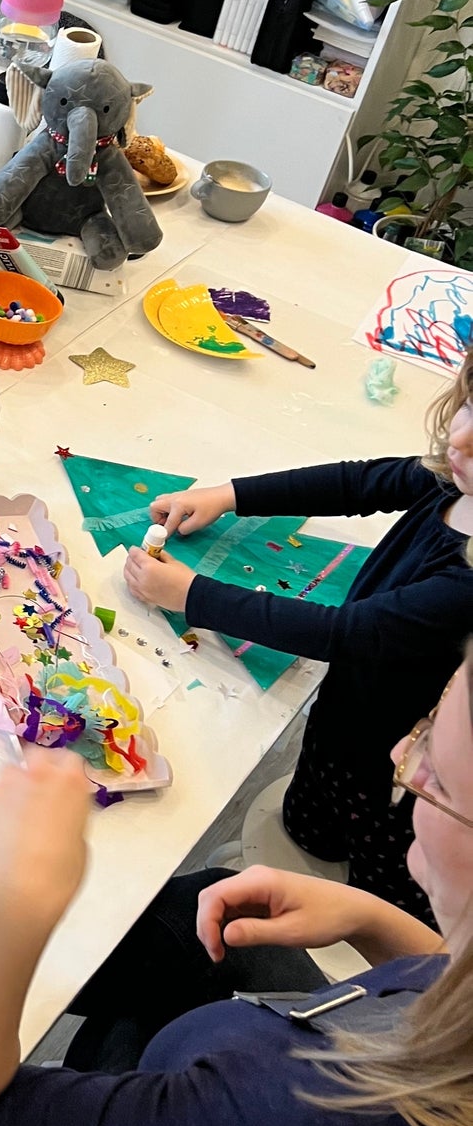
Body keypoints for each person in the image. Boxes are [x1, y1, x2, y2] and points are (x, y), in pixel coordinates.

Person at [0, 647, 473, 1126]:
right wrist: (373, 921)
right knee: (210, 905)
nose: (401, 748)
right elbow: (454, 976)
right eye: (427, 722)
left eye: (436, 777)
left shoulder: (309, 1117)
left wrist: (7, 908)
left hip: (268, 1096)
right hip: (302, 1049)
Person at [120, 350, 473, 919]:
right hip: (343, 720)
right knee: (307, 832)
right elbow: (356, 484)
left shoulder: (467, 583)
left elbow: (343, 632)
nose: (460, 440)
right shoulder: (453, 480)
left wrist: (191, 596)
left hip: (397, 775)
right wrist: (228, 496)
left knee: (383, 901)